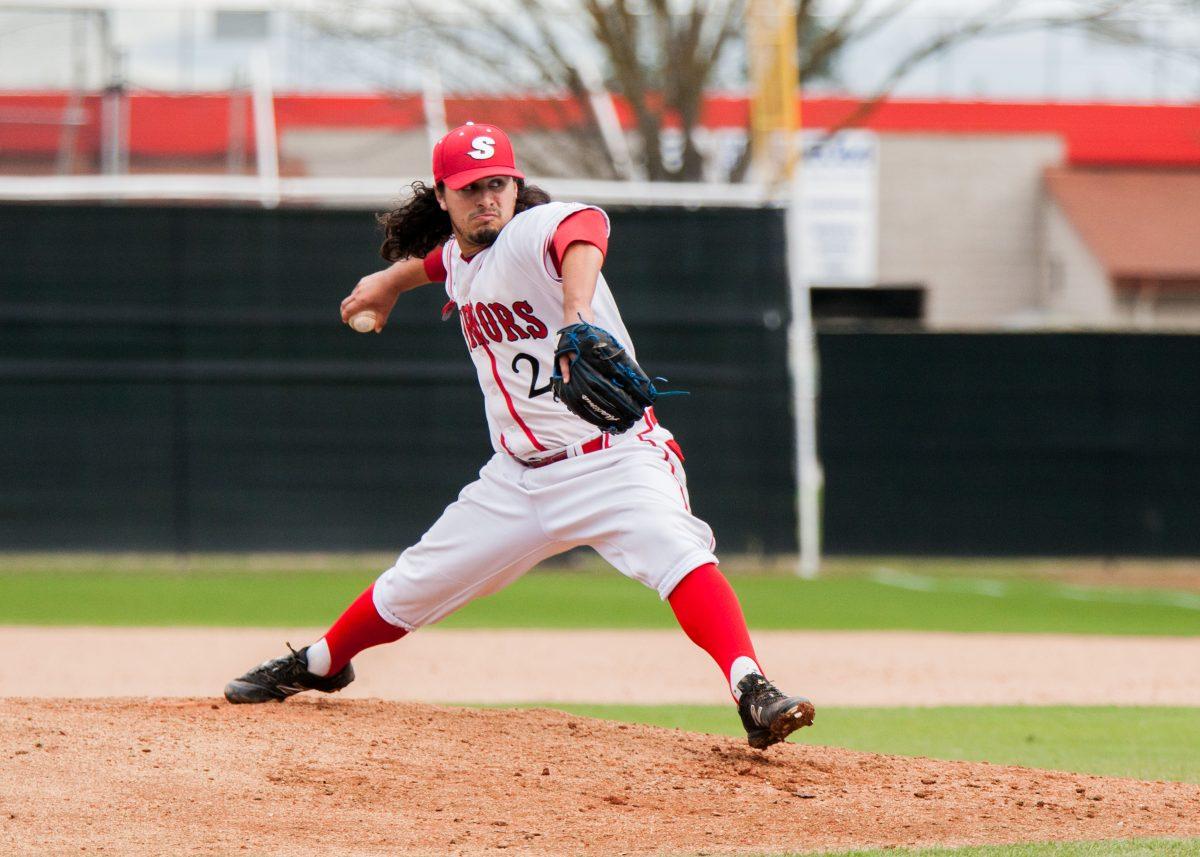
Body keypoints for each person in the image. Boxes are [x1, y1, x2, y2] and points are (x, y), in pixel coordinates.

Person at [223, 122, 815, 749]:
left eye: (499, 184)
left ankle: (752, 688)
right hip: (518, 480)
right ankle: (322, 662)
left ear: (516, 186)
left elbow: (583, 227)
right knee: (414, 582)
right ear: (443, 198)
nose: (488, 199)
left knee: (678, 552)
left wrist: (577, 314)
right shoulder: (461, 259)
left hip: (612, 460)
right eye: (471, 188)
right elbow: (443, 263)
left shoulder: (532, 232)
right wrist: (390, 282)